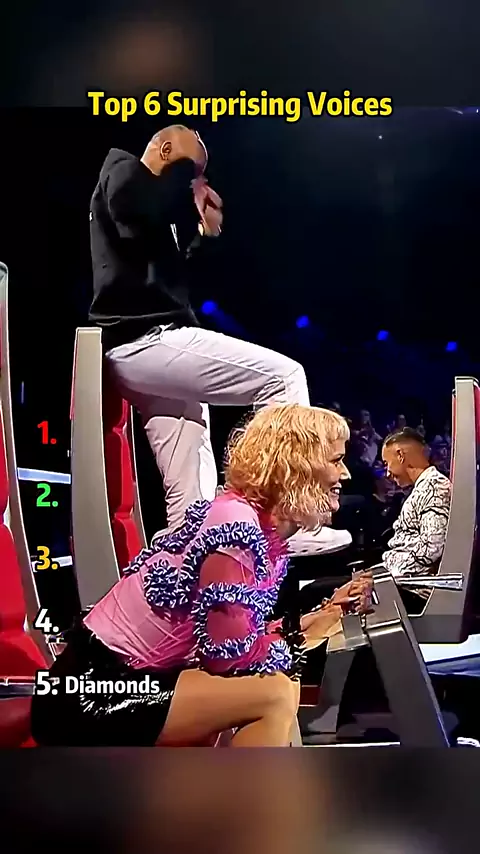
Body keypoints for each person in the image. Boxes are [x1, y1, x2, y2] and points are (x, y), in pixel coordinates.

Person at [30, 405, 371, 748]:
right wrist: (303, 635)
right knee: (272, 693)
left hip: (133, 677)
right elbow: (226, 658)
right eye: (336, 460)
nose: (345, 474)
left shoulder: (257, 527)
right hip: (91, 690)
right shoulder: (236, 529)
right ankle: (248, 786)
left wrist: (323, 615)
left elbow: (238, 639)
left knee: (277, 683)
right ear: (295, 464)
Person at [88, 125, 350, 557]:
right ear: (165, 150)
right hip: (145, 338)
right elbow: (133, 214)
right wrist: (183, 192)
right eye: (191, 169)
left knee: (189, 481)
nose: (197, 181)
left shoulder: (153, 207)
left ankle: (184, 564)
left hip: (146, 349)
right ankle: (288, 514)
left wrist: (201, 235)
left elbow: (167, 272)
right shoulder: (123, 170)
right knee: (284, 377)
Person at [381, 427, 451, 583]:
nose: (387, 473)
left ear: (400, 456)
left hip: (411, 587)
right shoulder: (424, 487)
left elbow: (431, 548)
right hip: (399, 579)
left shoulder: (434, 487)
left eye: (386, 463)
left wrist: (386, 575)